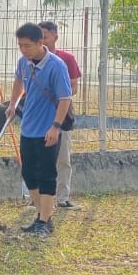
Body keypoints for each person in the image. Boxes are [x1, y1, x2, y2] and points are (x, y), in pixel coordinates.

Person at [3, 22, 72, 237]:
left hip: (48, 130)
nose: (24, 50)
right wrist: (12, 104)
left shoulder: (57, 66)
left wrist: (55, 127)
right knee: (29, 174)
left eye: (28, 46)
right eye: (20, 46)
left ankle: (44, 220)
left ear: (41, 43)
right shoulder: (24, 63)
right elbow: (17, 80)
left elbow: (65, 98)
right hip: (28, 128)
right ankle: (42, 217)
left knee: (47, 176)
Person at [39, 21, 82, 208]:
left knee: (63, 157)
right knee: (38, 157)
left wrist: (58, 96)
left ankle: (62, 198)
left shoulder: (67, 59)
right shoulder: (31, 59)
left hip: (60, 115)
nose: (42, 41)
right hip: (39, 117)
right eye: (38, 37)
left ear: (55, 37)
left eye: (45, 37)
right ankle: (37, 198)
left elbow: (73, 87)